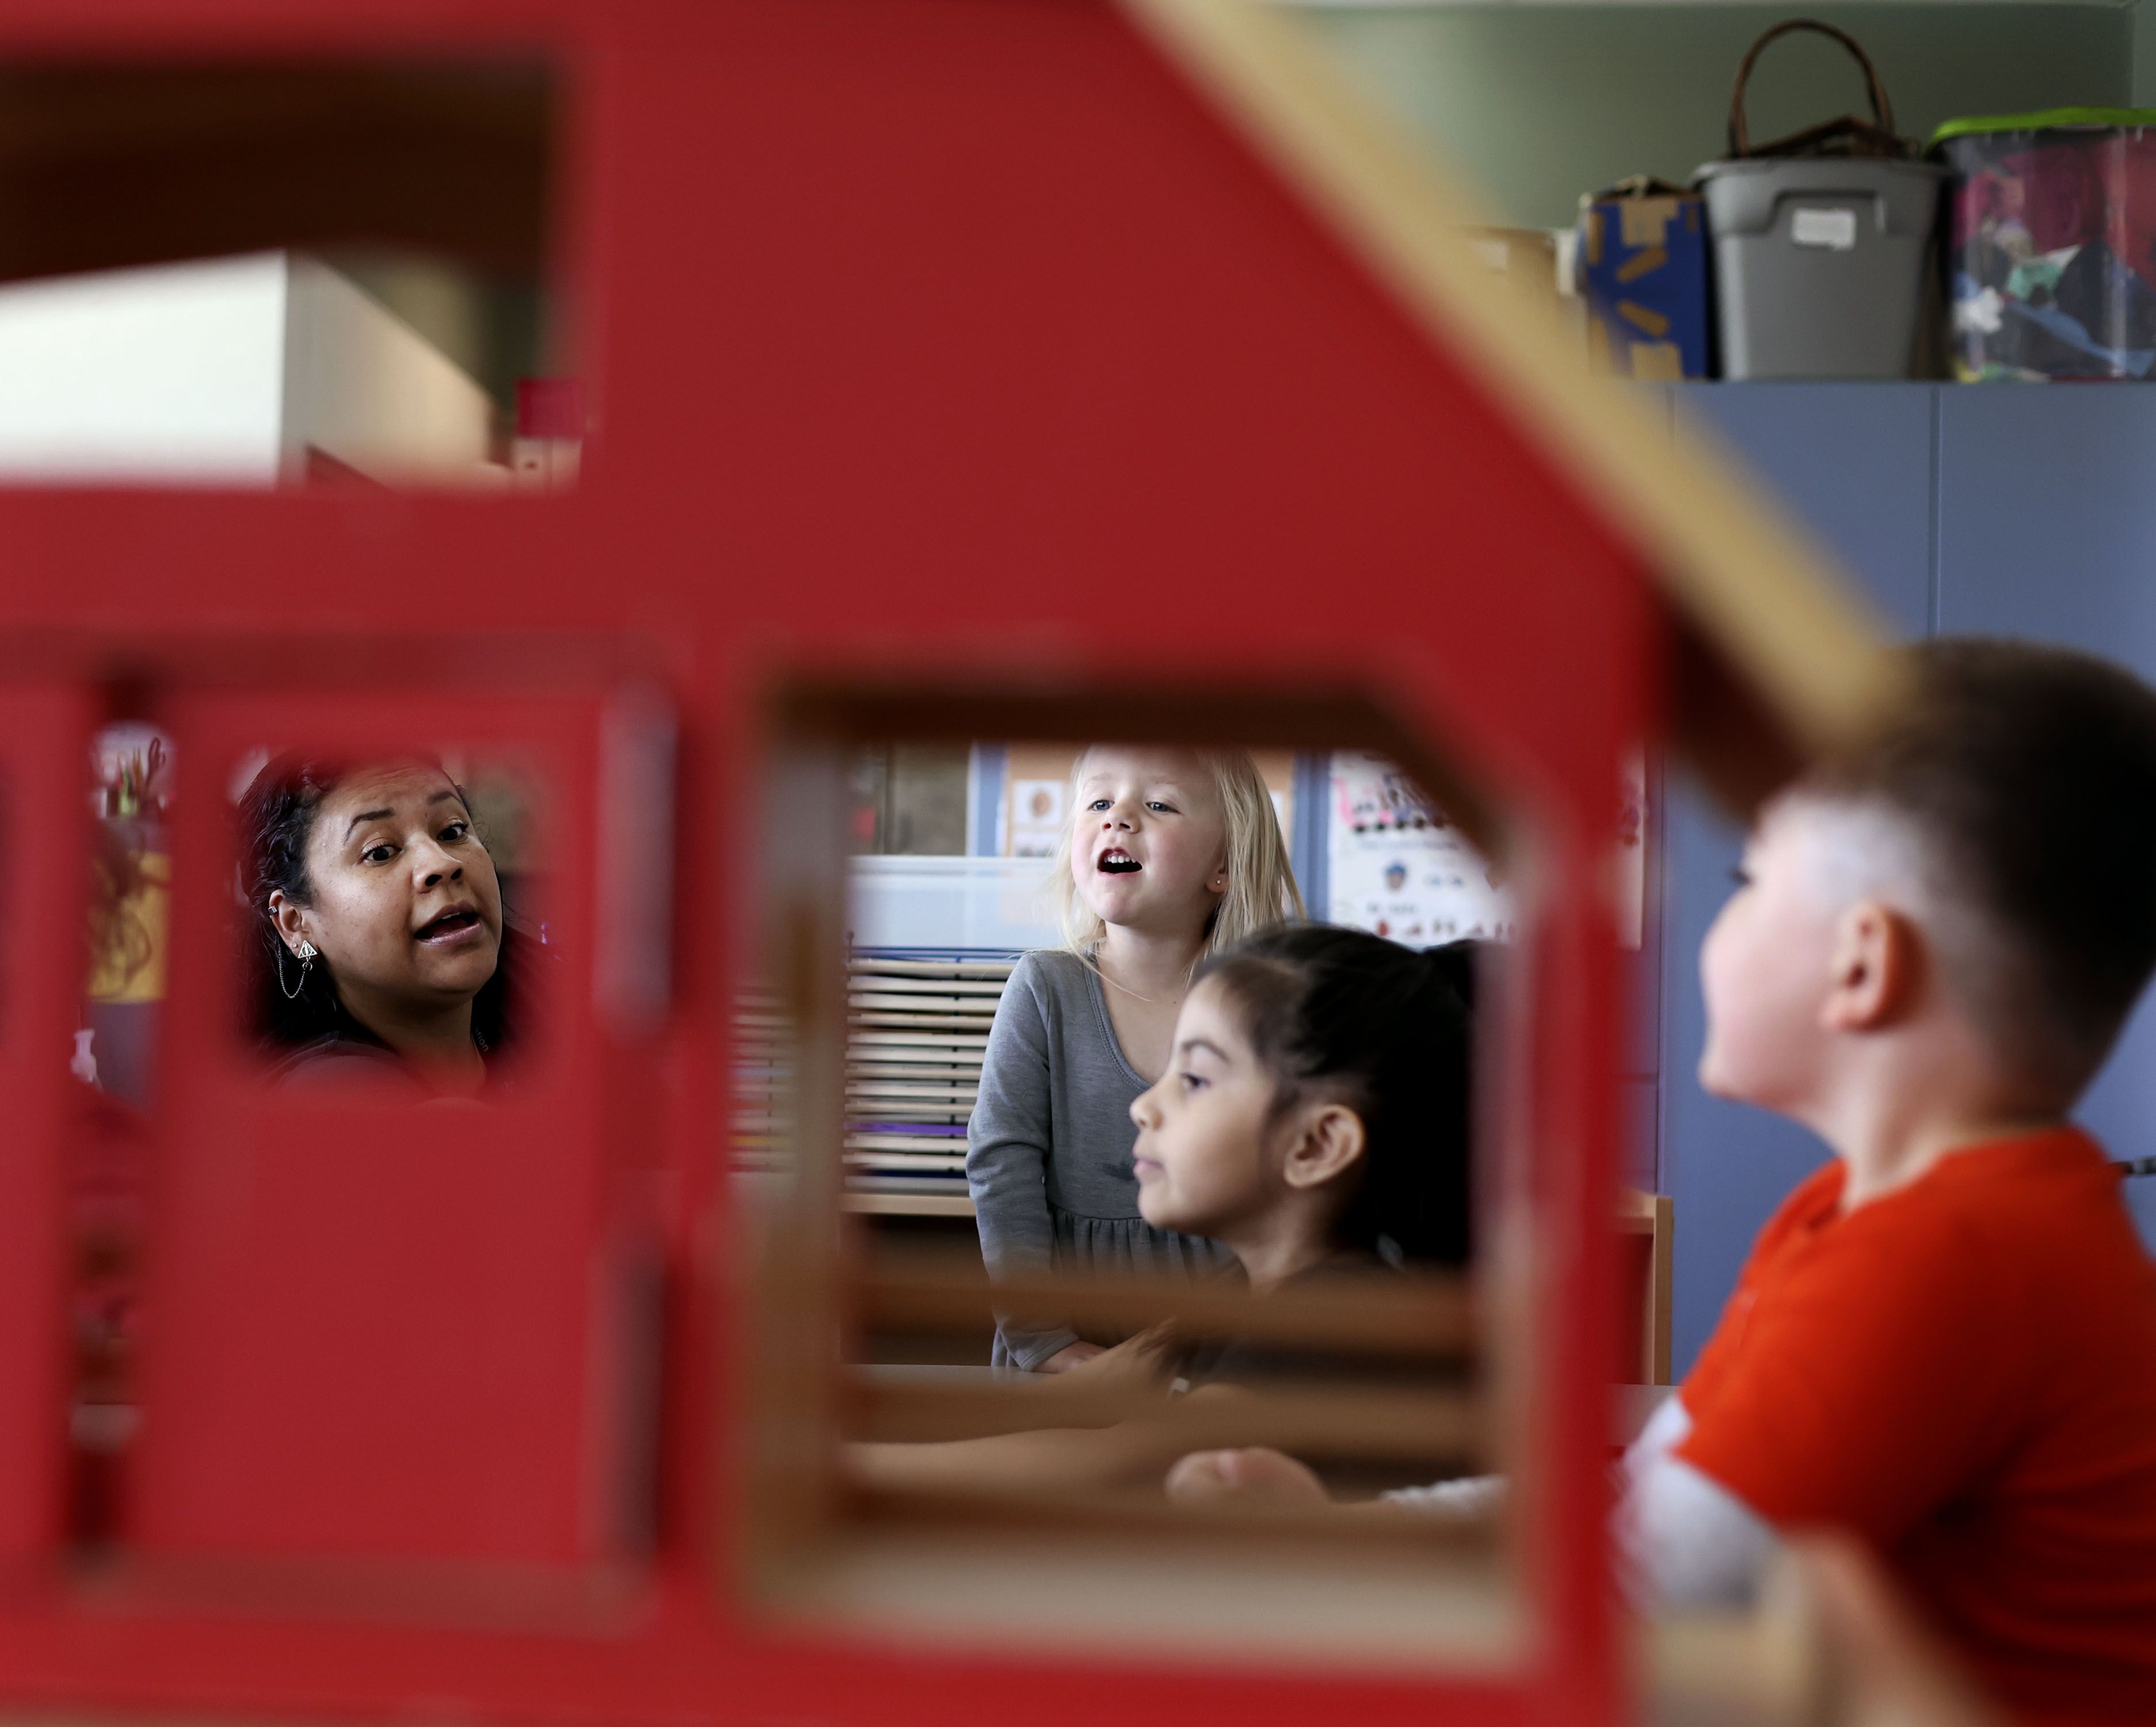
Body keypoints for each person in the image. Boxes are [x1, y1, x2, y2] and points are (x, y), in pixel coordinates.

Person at [1172, 640, 2156, 1726]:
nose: (1713, 919)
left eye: (1747, 881)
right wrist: (1355, 1528)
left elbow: (1649, 1583)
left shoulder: (1947, 1258)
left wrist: (1338, 1564)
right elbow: (1646, 1495)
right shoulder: (1867, 1218)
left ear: (1862, 968)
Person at [855, 923, 1472, 1496]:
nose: (1144, 1107)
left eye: (1195, 1079)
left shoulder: (1335, 1322)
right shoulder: (1243, 1292)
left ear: (1314, 1145)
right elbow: (1068, 1407)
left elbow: (1102, 1465)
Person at [966, 746, 1302, 1370]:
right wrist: (1044, 1343)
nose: (1117, 818)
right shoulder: (1045, 988)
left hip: (1223, 1337)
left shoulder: (1264, 1005)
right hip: (1061, 1338)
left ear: (1223, 865)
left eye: (1157, 804)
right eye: (1098, 802)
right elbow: (1000, 1170)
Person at [242, 756, 512, 1095]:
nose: (442, 863)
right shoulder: (333, 1097)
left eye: (452, 831)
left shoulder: (545, 1011)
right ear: (295, 923)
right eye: (380, 852)